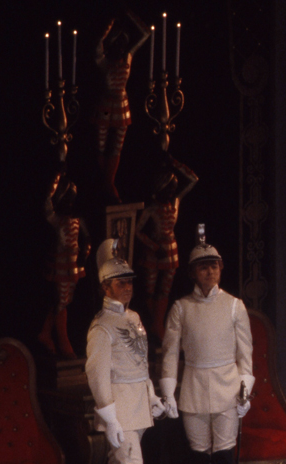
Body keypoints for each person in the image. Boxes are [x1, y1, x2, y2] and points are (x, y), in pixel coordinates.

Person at [161, 229, 254, 464]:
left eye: (214, 265)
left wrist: (245, 390)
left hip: (227, 390)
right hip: (194, 390)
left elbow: (246, 355)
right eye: (203, 267)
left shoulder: (234, 306)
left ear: (221, 268)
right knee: (199, 463)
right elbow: (171, 353)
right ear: (192, 272)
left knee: (225, 461)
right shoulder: (181, 308)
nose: (210, 271)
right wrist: (169, 391)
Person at [86, 239, 165, 464]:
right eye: (121, 283)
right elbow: (97, 375)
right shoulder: (101, 327)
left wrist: (153, 396)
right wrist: (110, 417)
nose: (128, 287)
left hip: (139, 409)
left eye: (130, 282)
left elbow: (140, 365)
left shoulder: (133, 318)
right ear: (106, 287)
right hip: (120, 413)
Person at [136, 156, 199, 340]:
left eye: (173, 189)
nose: (172, 193)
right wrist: (154, 246)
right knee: (150, 289)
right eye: (169, 189)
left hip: (171, 252)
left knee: (164, 290)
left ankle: (158, 325)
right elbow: (137, 231)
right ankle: (153, 324)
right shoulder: (151, 209)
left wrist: (175, 163)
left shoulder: (175, 203)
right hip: (153, 254)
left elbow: (194, 179)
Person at [94, 13, 150, 202]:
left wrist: (130, 15)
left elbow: (144, 35)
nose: (120, 47)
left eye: (122, 43)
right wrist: (108, 26)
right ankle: (108, 184)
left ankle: (109, 184)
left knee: (117, 146)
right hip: (107, 105)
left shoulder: (127, 59)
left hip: (122, 104)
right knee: (101, 144)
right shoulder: (104, 63)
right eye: (116, 43)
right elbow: (97, 46)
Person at [38, 171, 91, 359]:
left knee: (64, 301)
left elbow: (87, 239)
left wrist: (85, 254)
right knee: (60, 301)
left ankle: (46, 333)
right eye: (65, 200)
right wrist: (57, 177)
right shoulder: (56, 220)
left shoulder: (78, 220)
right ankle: (63, 342)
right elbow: (46, 203)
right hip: (60, 264)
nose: (69, 204)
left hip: (74, 265)